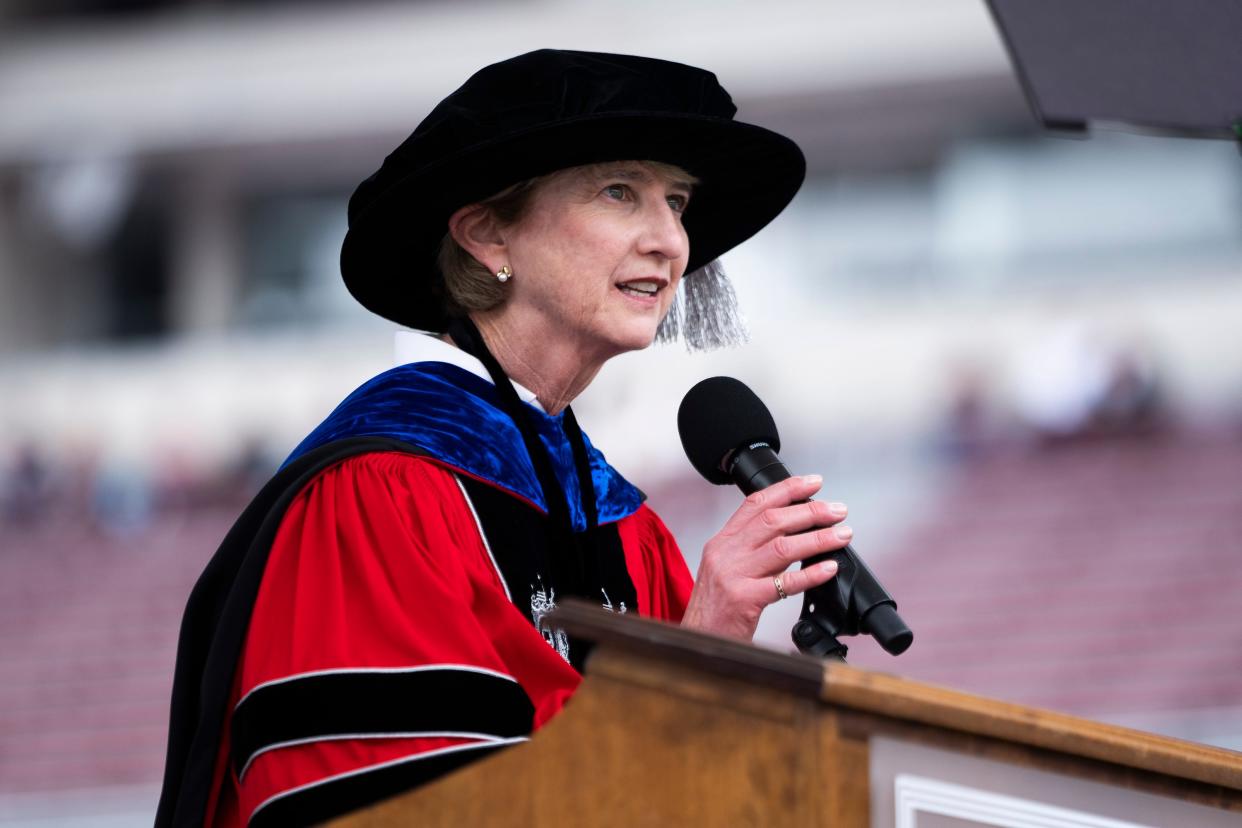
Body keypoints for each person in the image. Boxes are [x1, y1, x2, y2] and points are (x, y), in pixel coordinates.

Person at [156, 49, 853, 828]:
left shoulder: (626, 530)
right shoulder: (374, 499)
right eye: (620, 192)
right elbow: (407, 808)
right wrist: (698, 647)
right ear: (489, 236)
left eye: (679, 202)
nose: (670, 241)